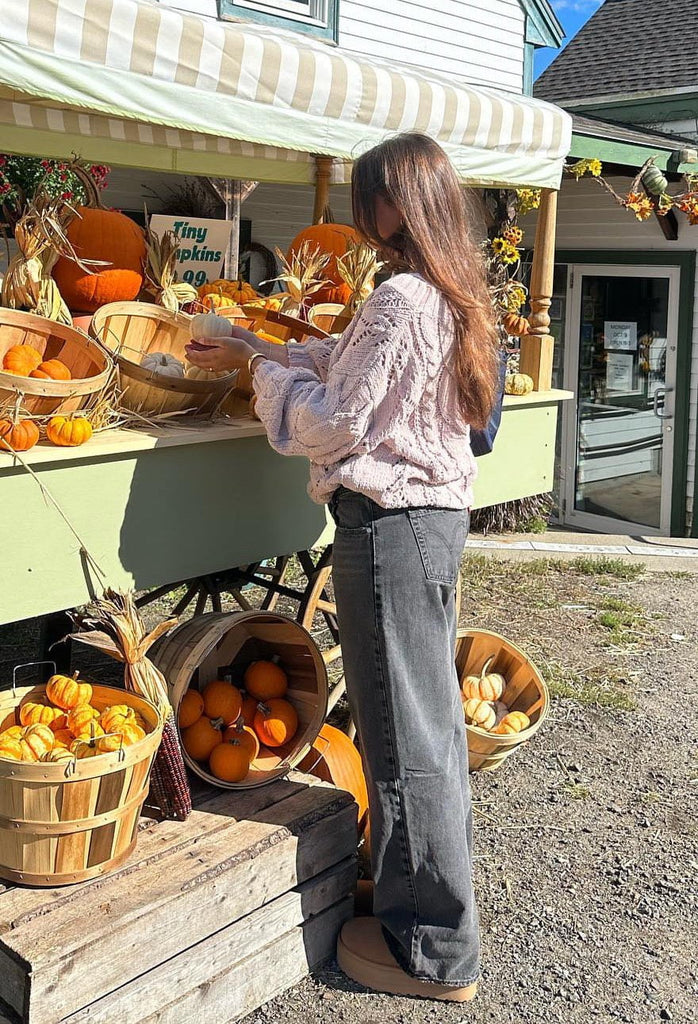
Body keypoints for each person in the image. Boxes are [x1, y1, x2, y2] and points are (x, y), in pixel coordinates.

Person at [186, 132, 499, 1002]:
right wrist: (261, 348)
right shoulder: (442, 291)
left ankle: (434, 951)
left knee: (406, 737)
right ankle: (415, 910)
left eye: (366, 201)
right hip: (424, 524)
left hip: (391, 526)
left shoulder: (402, 297)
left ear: (393, 203)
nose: (359, 220)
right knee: (418, 727)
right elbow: (346, 372)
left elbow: (336, 422)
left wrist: (259, 369)